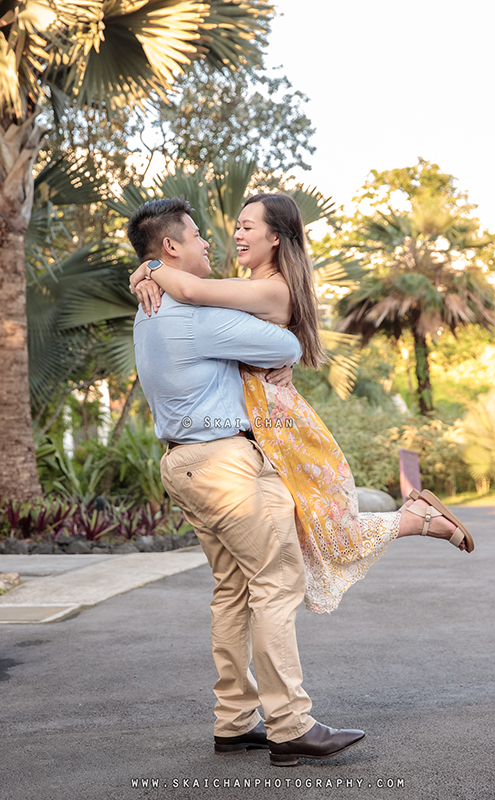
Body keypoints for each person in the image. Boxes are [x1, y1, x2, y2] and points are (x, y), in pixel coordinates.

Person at [130, 193, 475, 614]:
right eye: (236, 226)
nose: (235, 235)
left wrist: (147, 268)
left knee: (326, 532)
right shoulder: (242, 288)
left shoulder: (274, 290)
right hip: (259, 423)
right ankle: (418, 519)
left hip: (276, 420)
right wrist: (149, 277)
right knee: (310, 535)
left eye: (247, 227)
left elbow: (190, 289)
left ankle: (418, 520)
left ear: (275, 237)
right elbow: (197, 300)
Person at [128, 197, 366, 768]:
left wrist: (146, 271)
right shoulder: (194, 312)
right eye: (198, 236)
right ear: (171, 248)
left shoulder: (150, 306)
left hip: (184, 466)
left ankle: (234, 721)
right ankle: (290, 727)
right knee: (276, 585)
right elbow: (286, 346)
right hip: (225, 464)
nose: (212, 242)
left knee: (233, 591)